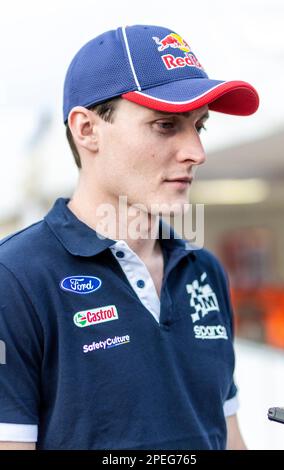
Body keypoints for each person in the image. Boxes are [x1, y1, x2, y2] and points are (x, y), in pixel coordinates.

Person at [0, 24, 259, 450]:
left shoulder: (205, 272)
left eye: (200, 126)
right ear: (86, 130)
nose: (196, 151)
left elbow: (227, 435)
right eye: (165, 125)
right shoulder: (16, 281)